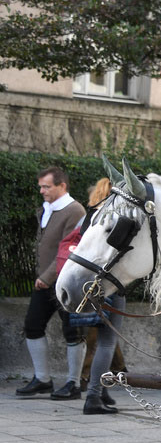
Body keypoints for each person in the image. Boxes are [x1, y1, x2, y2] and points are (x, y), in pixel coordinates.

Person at [18, 166, 86, 399]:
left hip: (66, 281)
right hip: (45, 283)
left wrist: (45, 278)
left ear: (62, 186)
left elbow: (68, 249)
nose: (41, 191)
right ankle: (42, 379)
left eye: (46, 186)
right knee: (33, 326)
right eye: (41, 186)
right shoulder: (49, 208)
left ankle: (73, 384)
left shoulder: (74, 210)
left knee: (73, 331)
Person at [76, 178, 126, 414]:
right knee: (107, 342)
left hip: (89, 285)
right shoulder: (111, 219)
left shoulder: (90, 218)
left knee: (98, 341)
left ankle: (100, 390)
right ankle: (94, 396)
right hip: (109, 285)